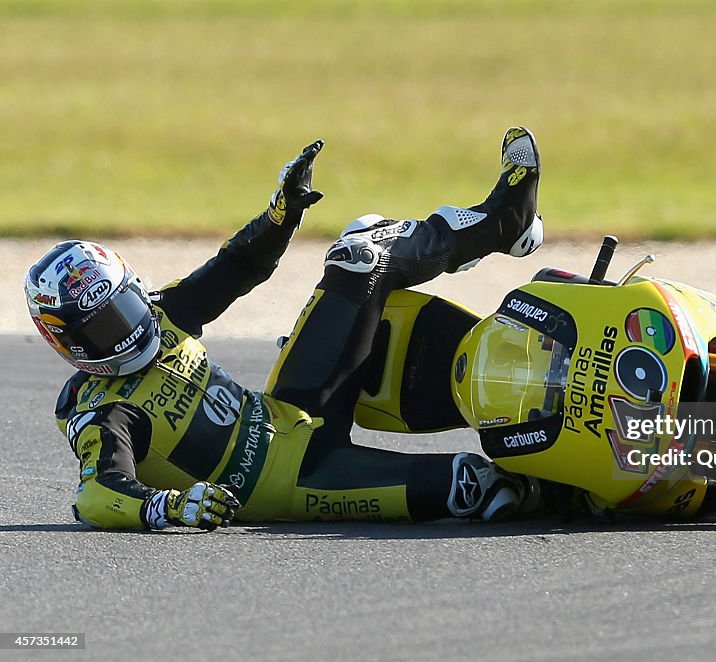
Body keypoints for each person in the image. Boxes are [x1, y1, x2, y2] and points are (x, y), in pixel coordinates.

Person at [25, 127, 544, 530]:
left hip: (292, 407)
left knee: (362, 251)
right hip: (302, 482)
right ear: (64, 342)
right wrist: (169, 507)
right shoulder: (101, 411)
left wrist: (280, 214)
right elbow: (98, 494)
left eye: (124, 310)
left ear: (134, 288)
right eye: (98, 331)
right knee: (474, 484)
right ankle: (594, 487)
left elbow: (237, 267)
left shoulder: (163, 315)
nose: (123, 334)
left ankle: (505, 220)